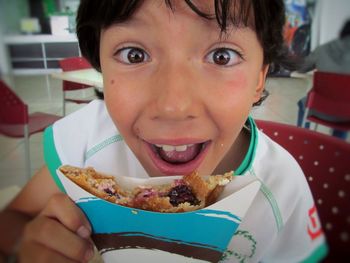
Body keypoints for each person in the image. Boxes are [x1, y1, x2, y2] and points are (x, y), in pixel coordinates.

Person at [0, 1, 327, 262]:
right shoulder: (88, 140)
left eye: (221, 56)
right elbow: (13, 219)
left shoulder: (281, 188)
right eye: (134, 54)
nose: (173, 106)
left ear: (259, 79)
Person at [297, 19, 350, 139]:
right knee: (345, 107)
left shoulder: (322, 49)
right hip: (346, 115)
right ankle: (337, 145)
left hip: (317, 108)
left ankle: (301, 137)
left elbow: (302, 68)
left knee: (302, 103)